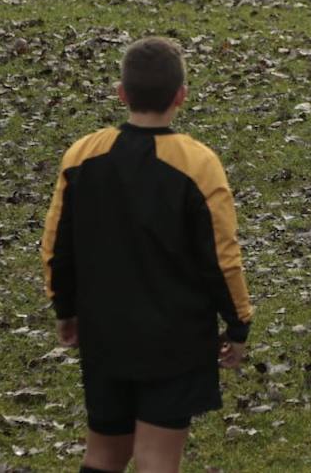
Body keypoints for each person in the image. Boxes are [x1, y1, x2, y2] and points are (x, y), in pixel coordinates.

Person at [42, 37, 252, 473]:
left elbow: (56, 245)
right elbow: (221, 257)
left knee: (103, 452)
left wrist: (65, 308)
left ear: (121, 93)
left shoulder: (83, 154)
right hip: (175, 336)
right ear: (181, 96)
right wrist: (238, 322)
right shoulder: (197, 163)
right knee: (157, 458)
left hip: (105, 328)